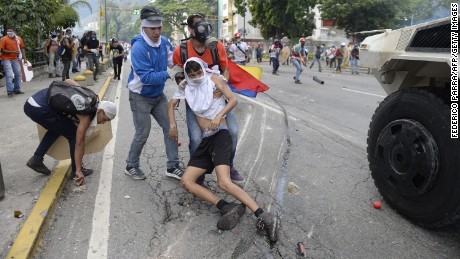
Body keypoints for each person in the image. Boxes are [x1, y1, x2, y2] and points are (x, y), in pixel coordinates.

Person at [168, 57, 278, 242]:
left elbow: (233, 100)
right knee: (186, 181)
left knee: (223, 182)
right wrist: (172, 124)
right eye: (192, 74)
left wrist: (219, 116)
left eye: (198, 73)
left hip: (220, 135)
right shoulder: (186, 86)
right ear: (188, 74)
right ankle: (227, 206)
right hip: (206, 140)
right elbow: (171, 104)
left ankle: (262, 214)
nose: (196, 77)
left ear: (204, 70)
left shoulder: (214, 80)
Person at [172, 13, 244, 183]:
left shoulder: (216, 46)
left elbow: (225, 68)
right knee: (197, 138)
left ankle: (229, 165)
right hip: (196, 102)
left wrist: (222, 84)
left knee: (232, 132)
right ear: (190, 29)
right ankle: (198, 175)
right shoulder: (181, 50)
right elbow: (177, 73)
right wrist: (187, 88)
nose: (202, 28)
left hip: (217, 98)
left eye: (204, 24)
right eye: (198, 25)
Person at [125, 5, 184, 180]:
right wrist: (169, 74)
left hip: (158, 96)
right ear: (144, 27)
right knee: (142, 133)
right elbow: (147, 78)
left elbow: (172, 62)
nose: (157, 32)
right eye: (153, 28)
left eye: (159, 27)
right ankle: (131, 165)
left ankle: (172, 166)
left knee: (171, 128)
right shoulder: (138, 48)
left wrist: (183, 68)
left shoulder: (164, 42)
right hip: (140, 96)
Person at [24, 79, 116, 186]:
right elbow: (79, 143)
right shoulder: (86, 116)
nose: (104, 122)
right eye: (106, 119)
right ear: (101, 111)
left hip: (32, 101)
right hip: (39, 108)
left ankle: (36, 159)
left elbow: (68, 81)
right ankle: (75, 171)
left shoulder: (90, 97)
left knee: (58, 128)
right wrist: (78, 169)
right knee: (73, 134)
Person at [0, 26, 27, 96]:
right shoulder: (4, 39)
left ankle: (17, 90)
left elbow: (22, 48)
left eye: (11, 31)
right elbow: (2, 50)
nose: (9, 32)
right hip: (6, 58)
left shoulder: (18, 39)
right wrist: (13, 52)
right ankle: (10, 91)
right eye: (8, 31)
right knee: (9, 74)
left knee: (18, 74)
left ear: (14, 31)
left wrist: (25, 59)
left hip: (15, 59)